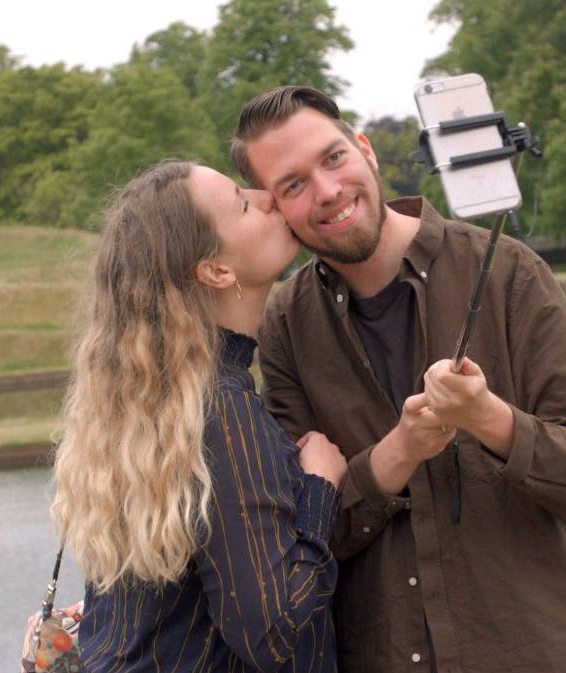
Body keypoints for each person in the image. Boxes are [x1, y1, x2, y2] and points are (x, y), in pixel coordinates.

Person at [230, 86, 566, 673]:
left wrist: (488, 418)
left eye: (333, 158)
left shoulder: (508, 272)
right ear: (275, 208)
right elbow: (303, 536)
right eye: (293, 185)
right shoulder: (285, 327)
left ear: (365, 151)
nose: (327, 191)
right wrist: (399, 452)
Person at [48, 159, 347, 673]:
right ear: (216, 270)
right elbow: (271, 635)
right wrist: (320, 487)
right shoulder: (221, 410)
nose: (267, 194)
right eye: (243, 202)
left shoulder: (149, 404)